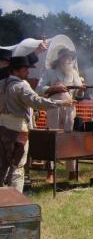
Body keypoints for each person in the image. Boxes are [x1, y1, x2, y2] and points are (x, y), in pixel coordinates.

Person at [0, 56, 74, 192]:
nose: (28, 72)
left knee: (2, 166)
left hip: (2, 128)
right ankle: (15, 202)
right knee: (17, 168)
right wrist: (61, 103)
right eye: (25, 69)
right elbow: (37, 102)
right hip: (17, 129)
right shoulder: (21, 86)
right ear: (18, 70)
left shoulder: (2, 83)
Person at [37, 48, 85, 181]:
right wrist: (54, 88)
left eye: (71, 58)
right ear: (59, 59)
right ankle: (50, 172)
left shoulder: (74, 73)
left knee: (69, 139)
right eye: (66, 57)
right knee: (53, 138)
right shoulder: (49, 72)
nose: (69, 60)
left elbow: (79, 93)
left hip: (69, 109)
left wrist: (81, 90)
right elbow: (39, 89)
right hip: (54, 109)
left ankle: (72, 172)